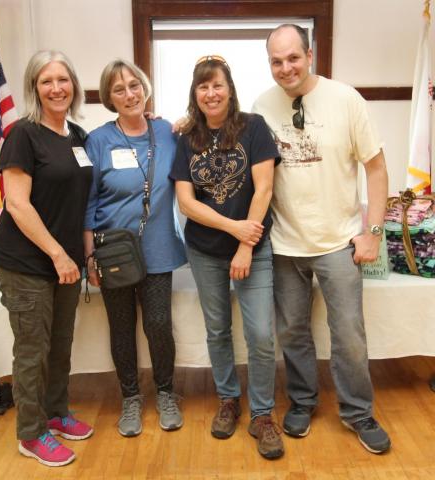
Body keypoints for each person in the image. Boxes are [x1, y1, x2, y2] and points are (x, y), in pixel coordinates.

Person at [252, 24, 391, 454]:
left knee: (348, 332)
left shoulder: (345, 99)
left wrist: (373, 232)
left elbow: (377, 168)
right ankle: (302, 401)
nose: (285, 67)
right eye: (276, 61)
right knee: (292, 331)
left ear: (310, 55)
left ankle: (358, 412)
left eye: (293, 57)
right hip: (285, 244)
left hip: (339, 242)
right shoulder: (261, 106)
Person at [170, 55, 283, 460]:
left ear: (230, 89)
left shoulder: (253, 128)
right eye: (203, 87)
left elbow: (264, 189)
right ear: (195, 95)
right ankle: (229, 399)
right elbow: (185, 202)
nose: (211, 93)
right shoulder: (186, 138)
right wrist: (234, 230)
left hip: (253, 248)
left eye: (217, 85)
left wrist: (245, 244)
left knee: (260, 337)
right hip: (204, 250)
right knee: (217, 330)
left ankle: (263, 415)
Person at [0, 50, 94, 467]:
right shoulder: (23, 134)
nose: (57, 88)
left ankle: (56, 413)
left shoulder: (78, 137)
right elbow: (17, 205)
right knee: (32, 350)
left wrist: (79, 257)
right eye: (46, 81)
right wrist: (56, 254)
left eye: (63, 79)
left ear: (74, 85)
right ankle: (31, 433)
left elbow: (80, 201)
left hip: (66, 261)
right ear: (35, 87)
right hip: (28, 262)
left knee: (60, 344)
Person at [83, 59, 186, 437]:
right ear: (109, 98)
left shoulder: (169, 131)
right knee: (122, 327)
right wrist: (89, 255)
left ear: (145, 87)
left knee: (159, 324)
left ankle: (166, 392)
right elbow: (89, 203)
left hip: (158, 249)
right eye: (119, 89)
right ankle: (130, 398)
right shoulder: (98, 140)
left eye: (134, 85)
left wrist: (188, 121)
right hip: (113, 253)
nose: (129, 94)